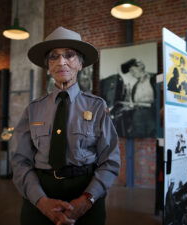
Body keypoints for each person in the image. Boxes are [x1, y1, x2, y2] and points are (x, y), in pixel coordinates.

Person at [11, 26, 120, 225]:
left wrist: (88, 199)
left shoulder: (96, 107)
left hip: (85, 192)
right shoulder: (34, 109)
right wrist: (40, 201)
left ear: (80, 64)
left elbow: (110, 161)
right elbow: (20, 161)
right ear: (48, 66)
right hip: (41, 193)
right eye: (54, 57)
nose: (61, 62)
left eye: (69, 55)